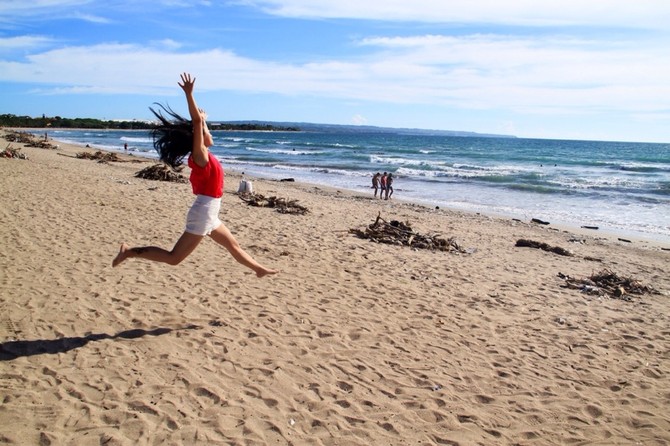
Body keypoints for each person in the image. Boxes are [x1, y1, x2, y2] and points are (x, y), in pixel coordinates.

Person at [112, 72, 278, 278]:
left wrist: (204, 121)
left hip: (209, 211)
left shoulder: (203, 154)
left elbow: (205, 134)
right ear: (197, 139)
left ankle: (258, 269)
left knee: (233, 245)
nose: (210, 135)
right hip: (204, 212)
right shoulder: (200, 157)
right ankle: (128, 252)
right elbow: (197, 124)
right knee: (174, 258)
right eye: (206, 131)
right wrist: (190, 95)